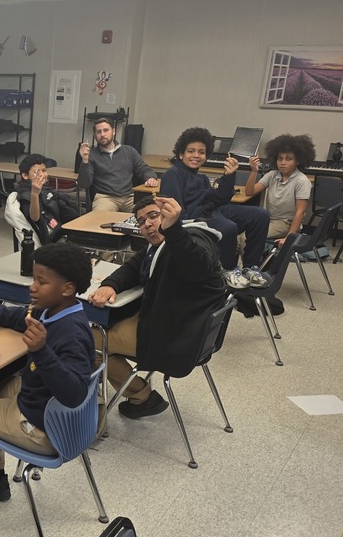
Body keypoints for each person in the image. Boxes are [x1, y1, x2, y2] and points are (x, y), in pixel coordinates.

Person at [0, 242, 95, 512]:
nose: (32, 287)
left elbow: (75, 394)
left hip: (44, 428)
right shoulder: (53, 309)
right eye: (34, 279)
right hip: (39, 402)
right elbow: (15, 316)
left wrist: (42, 351)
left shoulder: (71, 332)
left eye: (41, 281)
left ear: (67, 288)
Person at [88, 196, 225, 422]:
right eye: (141, 222)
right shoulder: (158, 247)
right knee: (97, 331)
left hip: (174, 335)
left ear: (171, 215)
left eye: (154, 215)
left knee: (86, 340)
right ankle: (137, 394)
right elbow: (133, 266)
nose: (148, 224)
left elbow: (198, 266)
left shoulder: (193, 238)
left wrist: (174, 230)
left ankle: (141, 398)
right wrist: (110, 284)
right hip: (173, 324)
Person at [159, 126, 271, 290]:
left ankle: (251, 267)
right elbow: (175, 212)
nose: (196, 155)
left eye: (201, 152)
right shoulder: (173, 174)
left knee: (260, 215)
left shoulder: (202, 178)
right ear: (181, 154)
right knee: (228, 228)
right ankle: (228, 270)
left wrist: (229, 175)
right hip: (195, 219)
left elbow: (221, 199)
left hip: (212, 211)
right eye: (191, 151)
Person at [242, 133, 314, 244]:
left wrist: (289, 238)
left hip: (286, 223)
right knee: (234, 234)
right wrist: (254, 171)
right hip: (266, 218)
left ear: (297, 161)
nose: (283, 163)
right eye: (280, 159)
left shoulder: (302, 181)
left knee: (247, 237)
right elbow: (249, 192)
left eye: (288, 159)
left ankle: (252, 261)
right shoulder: (272, 175)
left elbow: (301, 211)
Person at [77, 118, 158, 212]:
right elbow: (83, 184)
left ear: (113, 131)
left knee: (149, 214)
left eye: (106, 130)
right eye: (99, 132)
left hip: (129, 197)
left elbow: (143, 168)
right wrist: (85, 160)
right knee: (98, 219)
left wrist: (150, 177)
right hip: (105, 198)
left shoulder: (129, 151)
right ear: (95, 135)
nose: (102, 134)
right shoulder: (91, 155)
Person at [16, 153, 81, 243]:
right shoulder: (26, 193)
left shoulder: (45, 188)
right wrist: (35, 194)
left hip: (66, 229)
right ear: (25, 175)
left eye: (44, 170)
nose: (42, 174)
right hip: (55, 240)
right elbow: (34, 218)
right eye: (37, 172)